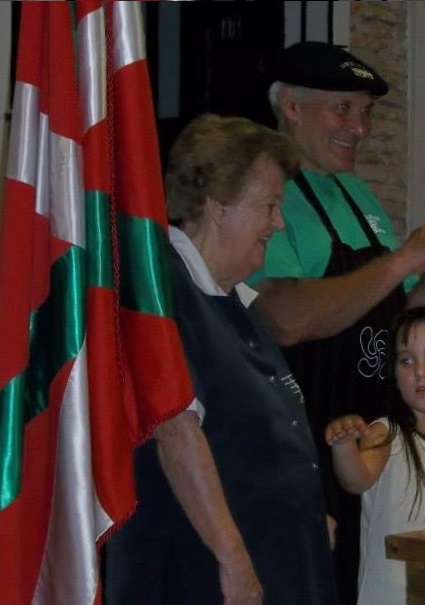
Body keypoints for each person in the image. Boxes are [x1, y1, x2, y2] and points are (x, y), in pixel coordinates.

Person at [250, 41, 425, 604]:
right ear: (291, 107)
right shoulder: (266, 194)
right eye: (343, 109)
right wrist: (404, 257)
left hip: (370, 453)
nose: (360, 127)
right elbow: (283, 319)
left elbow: (408, 324)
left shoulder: (358, 196)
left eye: (366, 111)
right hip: (302, 451)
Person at [104, 114, 336, 605]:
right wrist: (234, 560)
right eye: (270, 205)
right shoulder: (161, 294)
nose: (278, 222)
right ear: (217, 205)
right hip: (200, 581)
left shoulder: (232, 302)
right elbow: (176, 432)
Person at [324, 306, 425, 605]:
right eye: (406, 361)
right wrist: (343, 445)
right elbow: (356, 479)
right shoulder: (386, 433)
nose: (420, 371)